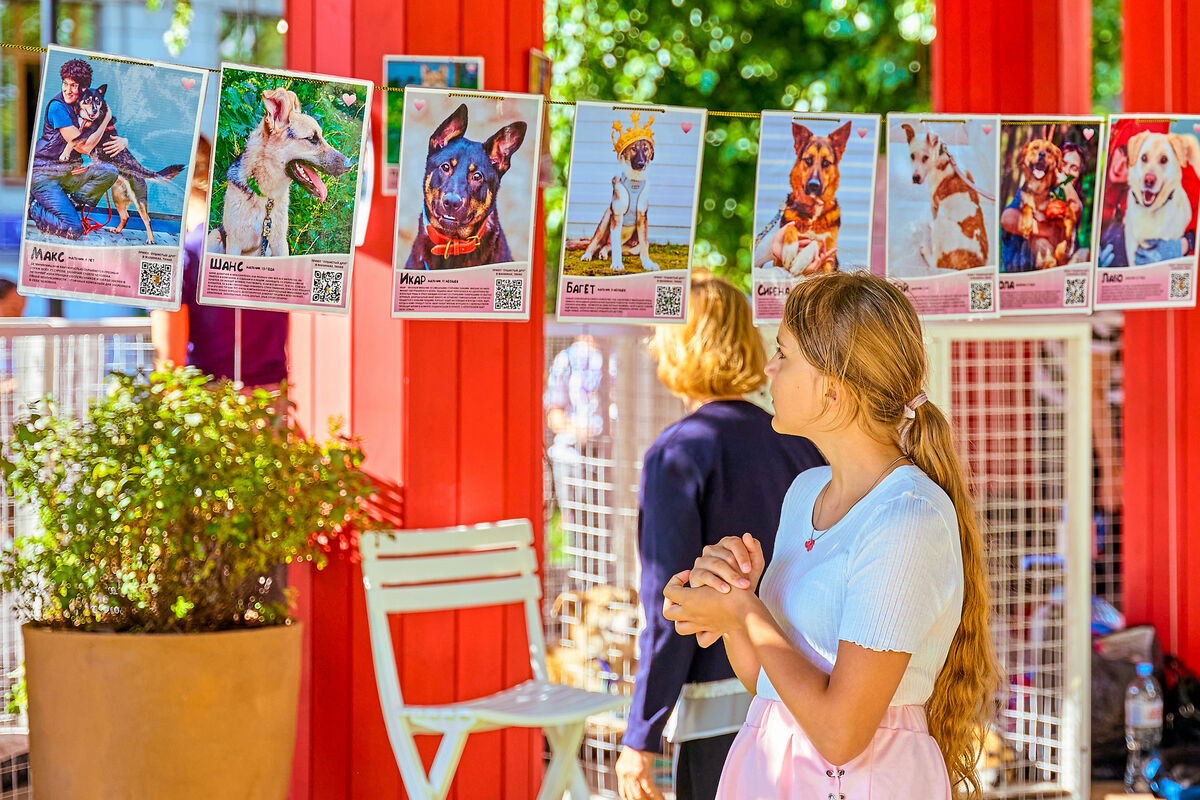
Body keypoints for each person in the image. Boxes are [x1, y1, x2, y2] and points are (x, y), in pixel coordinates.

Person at [662, 271, 1000, 799]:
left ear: (833, 390)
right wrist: (731, 600)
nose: (768, 367)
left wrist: (746, 614)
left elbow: (841, 734)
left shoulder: (907, 517)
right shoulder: (806, 492)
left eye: (784, 353)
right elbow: (770, 686)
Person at [616, 272, 824, 800]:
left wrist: (641, 734)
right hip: (805, 696)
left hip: (718, 714)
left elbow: (670, 604)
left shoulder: (677, 452)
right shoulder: (799, 443)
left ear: (679, 346)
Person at [150, 135, 289, 391]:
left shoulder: (179, 257)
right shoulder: (272, 243)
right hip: (272, 399)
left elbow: (168, 370)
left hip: (210, 405)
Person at [27, 58, 125, 240]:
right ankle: (32, 207)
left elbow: (104, 134)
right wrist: (106, 118)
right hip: (44, 175)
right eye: (65, 84)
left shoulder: (84, 105)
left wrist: (123, 141)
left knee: (109, 171)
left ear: (83, 89)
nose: (67, 89)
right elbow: (84, 147)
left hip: (66, 175)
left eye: (73, 85)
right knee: (73, 229)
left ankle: (70, 203)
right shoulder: (58, 107)